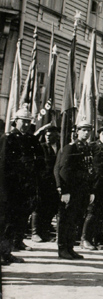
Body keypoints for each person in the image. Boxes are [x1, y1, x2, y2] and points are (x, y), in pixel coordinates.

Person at [0, 108, 43, 264]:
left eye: (28, 121)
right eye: (23, 121)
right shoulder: (8, 138)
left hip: (23, 189)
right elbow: (3, 166)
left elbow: (38, 164)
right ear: (15, 121)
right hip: (8, 189)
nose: (25, 124)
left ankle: (6, 252)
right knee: (4, 222)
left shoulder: (31, 140)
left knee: (14, 222)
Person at [55, 121, 94, 260]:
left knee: (75, 220)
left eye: (89, 130)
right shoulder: (71, 148)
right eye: (83, 130)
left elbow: (89, 170)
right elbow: (63, 170)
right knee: (66, 220)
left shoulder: (86, 148)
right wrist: (64, 191)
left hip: (81, 191)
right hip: (70, 191)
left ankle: (70, 247)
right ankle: (63, 248)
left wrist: (90, 191)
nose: (87, 133)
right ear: (77, 131)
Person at [81, 122, 103, 251]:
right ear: (102, 133)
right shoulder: (92, 147)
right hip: (94, 185)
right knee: (92, 213)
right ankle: (85, 239)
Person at [32, 125, 60, 243]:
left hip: (54, 183)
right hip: (42, 182)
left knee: (50, 208)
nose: (48, 138)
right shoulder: (41, 147)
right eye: (46, 135)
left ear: (57, 136)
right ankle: (35, 232)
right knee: (38, 208)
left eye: (51, 135)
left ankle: (45, 232)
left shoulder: (60, 148)